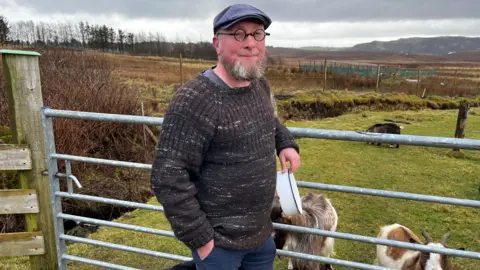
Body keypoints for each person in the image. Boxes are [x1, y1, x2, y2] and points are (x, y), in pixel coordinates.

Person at [151, 4, 300, 270]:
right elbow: (168, 176)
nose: (250, 43)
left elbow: (270, 121)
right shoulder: (194, 100)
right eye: (238, 34)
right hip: (219, 247)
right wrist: (201, 239)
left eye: (258, 34)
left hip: (262, 237)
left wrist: (285, 144)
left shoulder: (259, 86)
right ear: (217, 43)